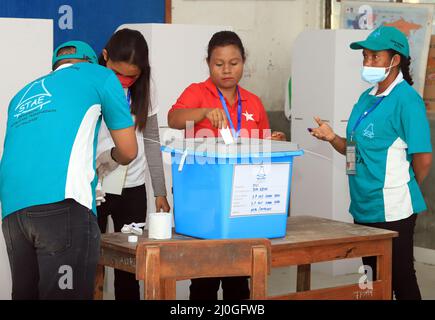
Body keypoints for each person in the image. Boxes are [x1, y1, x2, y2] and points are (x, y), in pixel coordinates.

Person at [0, 41, 138, 300]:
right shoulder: (100, 75)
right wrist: (109, 158)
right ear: (90, 61)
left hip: (13, 213)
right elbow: (129, 150)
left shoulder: (21, 95)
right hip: (62, 207)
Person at [310, 26, 432, 300]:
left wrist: (405, 188)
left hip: (393, 209)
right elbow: (355, 149)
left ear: (395, 59)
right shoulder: (366, 98)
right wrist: (332, 138)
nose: (367, 63)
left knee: (400, 277)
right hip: (363, 204)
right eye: (365, 56)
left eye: (374, 57)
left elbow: (423, 157)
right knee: (371, 279)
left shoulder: (407, 100)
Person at [168, 30, 285, 300]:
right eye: (219, 64)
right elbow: (174, 118)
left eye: (234, 63)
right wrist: (203, 112)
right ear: (208, 63)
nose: (226, 70)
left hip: (242, 200)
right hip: (203, 199)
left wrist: (274, 141)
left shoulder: (253, 101)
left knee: (238, 279)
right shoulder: (197, 92)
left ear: (244, 62)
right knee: (204, 281)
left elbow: (263, 147)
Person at [96, 28, 170, 300]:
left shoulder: (147, 87)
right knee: (93, 262)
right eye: (118, 73)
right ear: (105, 57)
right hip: (98, 186)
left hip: (134, 187)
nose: (125, 81)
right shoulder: (93, 83)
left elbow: (151, 140)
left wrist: (160, 191)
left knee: (130, 267)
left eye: (132, 76)